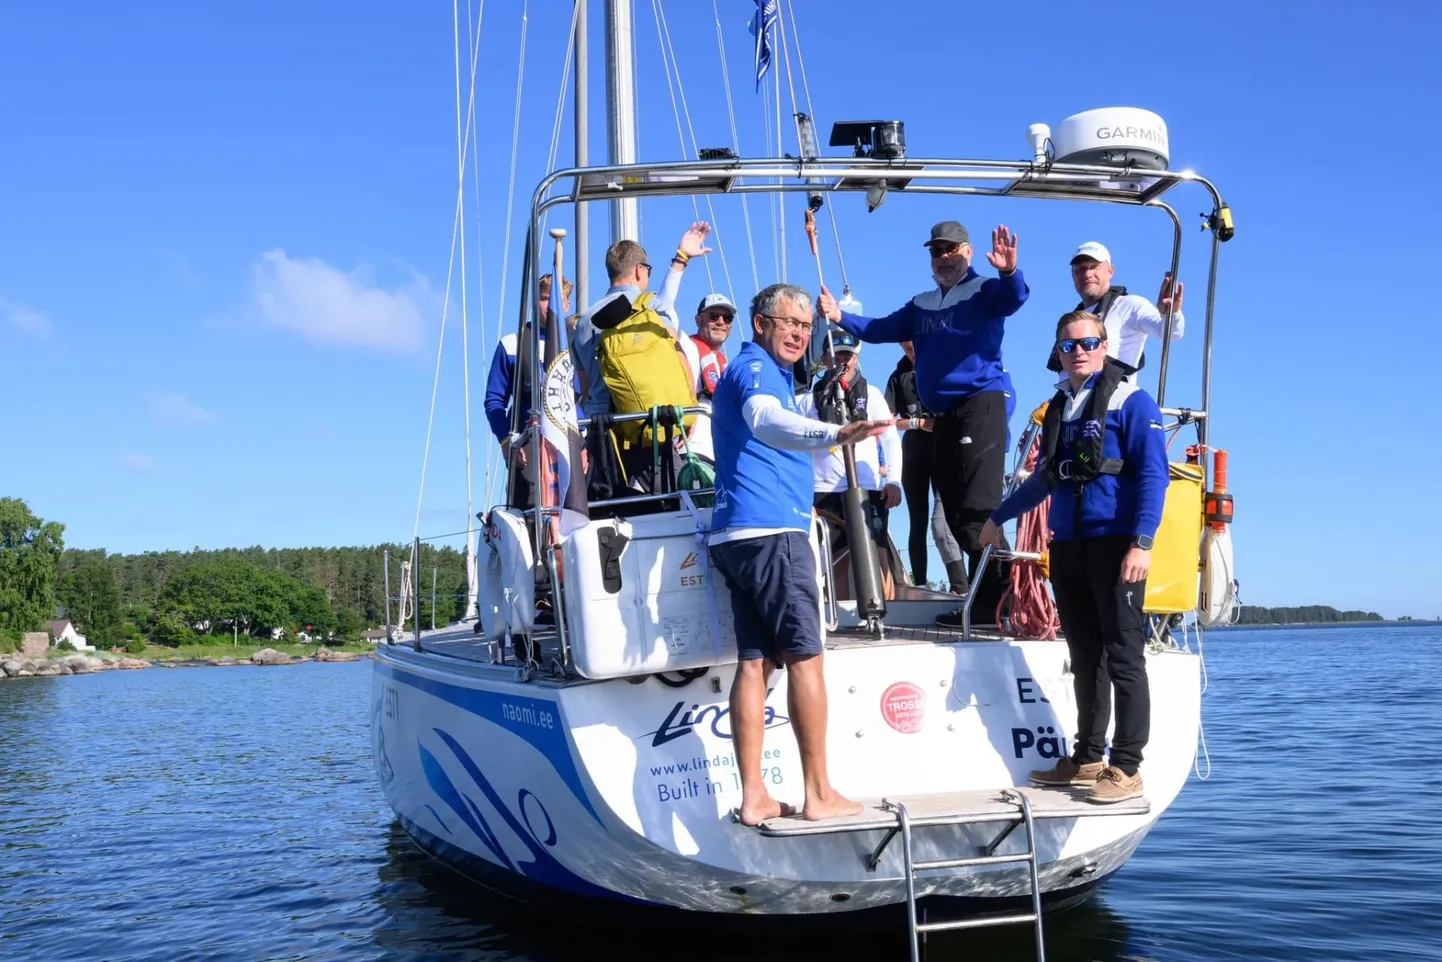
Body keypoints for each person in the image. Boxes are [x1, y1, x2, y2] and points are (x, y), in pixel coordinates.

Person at [709, 283, 891, 825]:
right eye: (789, 322)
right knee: (806, 657)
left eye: (807, 326)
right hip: (773, 534)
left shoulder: (768, 374)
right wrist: (835, 432)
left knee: (755, 662)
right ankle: (818, 794)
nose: (799, 333)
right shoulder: (757, 370)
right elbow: (767, 420)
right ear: (760, 323)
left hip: (735, 536)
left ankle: (755, 797)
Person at [980, 310, 1169, 804]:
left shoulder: (1132, 401)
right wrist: (999, 517)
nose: (1079, 351)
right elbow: (1045, 478)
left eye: (1088, 342)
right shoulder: (1060, 408)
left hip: (1116, 545)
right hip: (1068, 546)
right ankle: (1087, 757)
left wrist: (1142, 543)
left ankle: (1127, 767)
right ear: (1059, 353)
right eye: (1069, 345)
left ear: (1105, 347)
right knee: (1084, 657)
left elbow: (1154, 476)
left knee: (1125, 657)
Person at [818, 220, 1027, 628]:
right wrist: (839, 315)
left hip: (979, 408)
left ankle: (1005, 601)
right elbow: (878, 329)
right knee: (953, 515)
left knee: (976, 512)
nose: (943, 258)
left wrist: (1008, 270)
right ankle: (985, 602)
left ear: (967, 252)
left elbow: (1014, 296)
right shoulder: (923, 304)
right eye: (936, 251)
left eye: (951, 250)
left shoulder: (985, 291)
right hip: (943, 418)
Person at [797, 329, 902, 561]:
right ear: (824, 359)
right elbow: (796, 444)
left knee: (878, 555)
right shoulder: (806, 401)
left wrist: (893, 480)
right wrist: (801, 491)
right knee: (836, 559)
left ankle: (887, 599)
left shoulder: (872, 395)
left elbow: (890, 438)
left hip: (868, 487)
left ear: (856, 358)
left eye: (848, 356)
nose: (842, 361)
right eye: (836, 355)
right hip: (824, 489)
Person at [885, 340, 968, 592]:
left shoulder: (941, 368)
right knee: (916, 521)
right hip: (914, 455)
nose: (910, 349)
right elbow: (889, 422)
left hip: (944, 453)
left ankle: (961, 585)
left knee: (945, 521)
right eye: (905, 346)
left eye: (914, 344)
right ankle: (920, 586)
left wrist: (928, 423)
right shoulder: (897, 377)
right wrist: (918, 423)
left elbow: (953, 414)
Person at [483, 272, 573, 502]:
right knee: (528, 520)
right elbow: (494, 400)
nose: (549, 305)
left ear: (566, 304)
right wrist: (506, 442)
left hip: (571, 447)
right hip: (527, 448)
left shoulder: (579, 344)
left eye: (556, 300)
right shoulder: (511, 345)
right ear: (535, 302)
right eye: (544, 298)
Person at [1062, 241, 1184, 375]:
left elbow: (1171, 333)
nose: (1087, 274)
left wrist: (1172, 314)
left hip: (1115, 395)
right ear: (1072, 275)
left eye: (1094, 267)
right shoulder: (1072, 321)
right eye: (1080, 269)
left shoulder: (1130, 306)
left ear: (1110, 271)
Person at [689, 293, 737, 399]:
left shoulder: (724, 364)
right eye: (714, 317)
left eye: (727, 318)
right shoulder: (686, 351)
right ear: (698, 320)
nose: (721, 322)